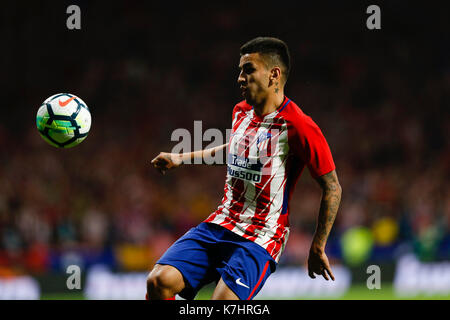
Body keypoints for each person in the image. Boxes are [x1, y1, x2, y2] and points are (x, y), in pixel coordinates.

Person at [147, 37, 342, 300]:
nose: (240, 78)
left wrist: (318, 245)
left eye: (248, 70)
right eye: (240, 70)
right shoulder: (241, 111)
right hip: (221, 222)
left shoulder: (299, 126)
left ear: (274, 75)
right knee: (158, 282)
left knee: (223, 302)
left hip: (261, 236)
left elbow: (332, 186)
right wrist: (182, 157)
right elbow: (235, 148)